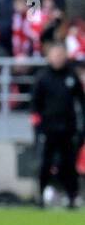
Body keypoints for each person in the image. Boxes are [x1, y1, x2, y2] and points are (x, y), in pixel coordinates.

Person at [30, 41, 85, 209]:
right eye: (55, 55)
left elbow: (81, 102)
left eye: (61, 55)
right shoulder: (42, 77)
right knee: (45, 163)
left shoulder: (71, 76)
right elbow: (34, 105)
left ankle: (72, 197)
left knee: (68, 164)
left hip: (68, 128)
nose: (58, 58)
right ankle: (41, 195)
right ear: (49, 56)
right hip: (48, 128)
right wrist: (37, 127)